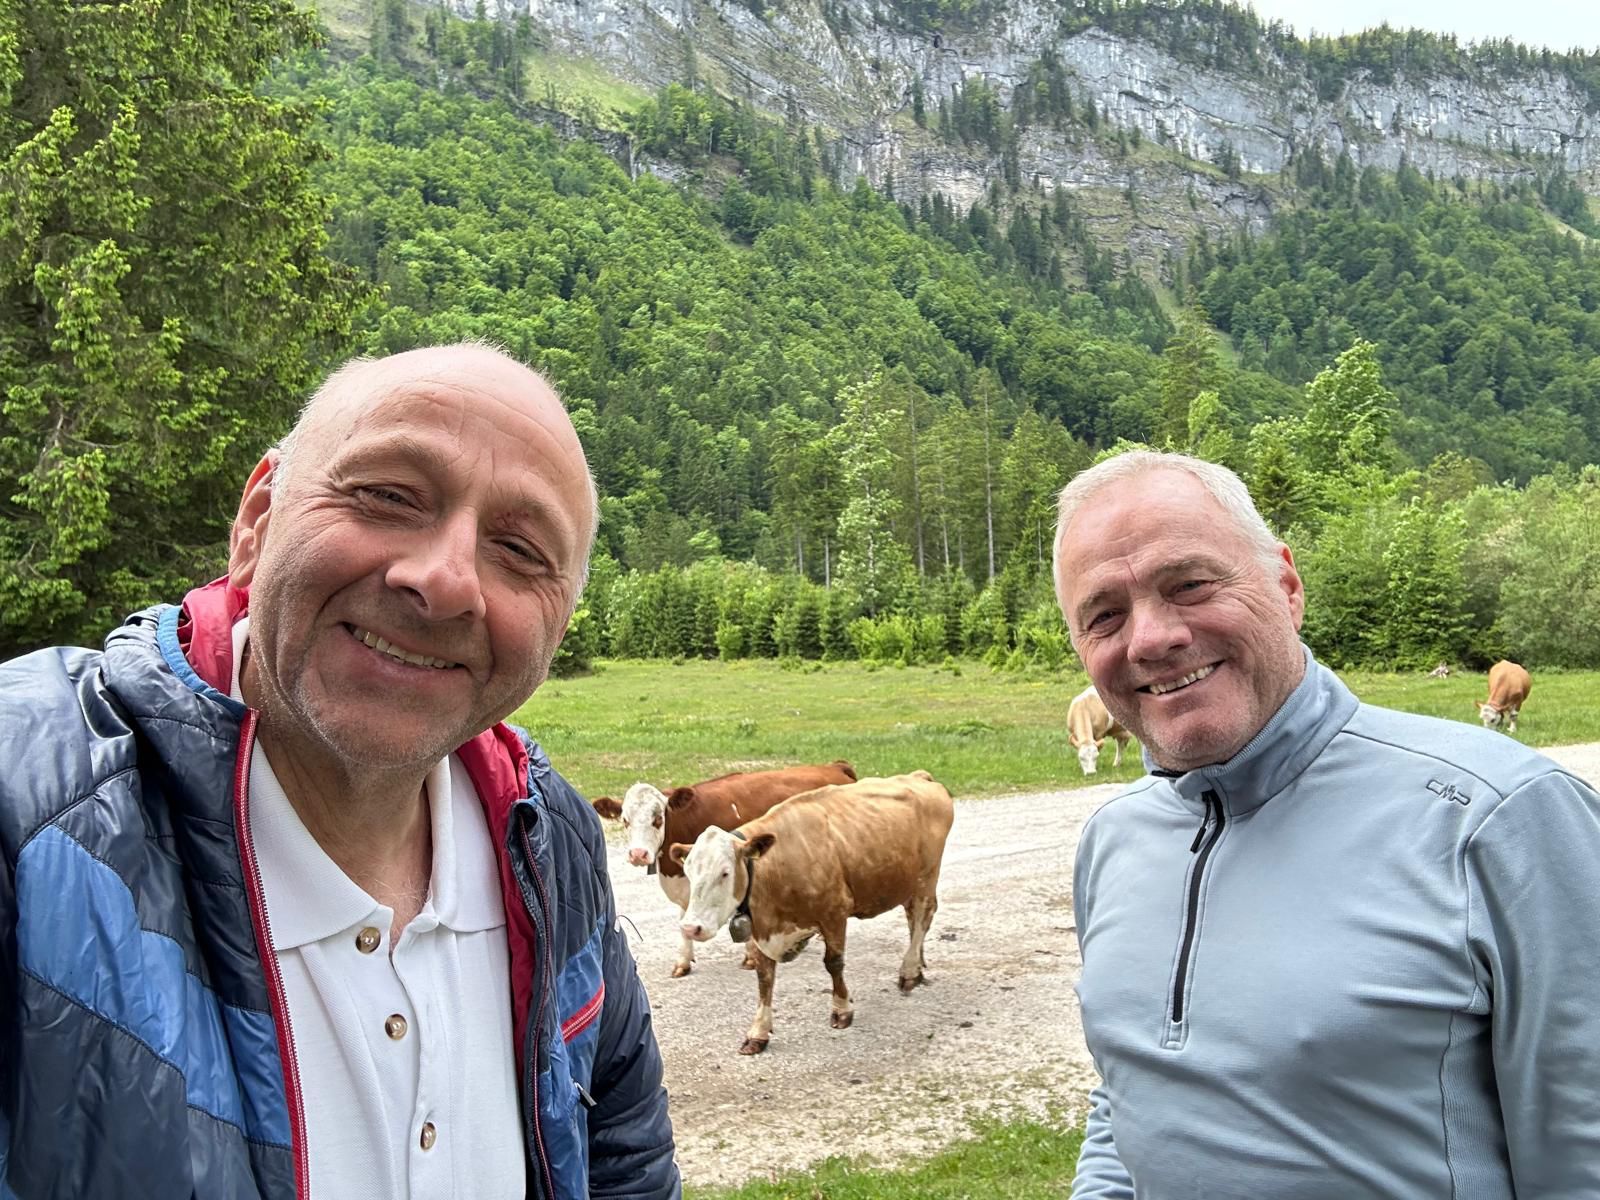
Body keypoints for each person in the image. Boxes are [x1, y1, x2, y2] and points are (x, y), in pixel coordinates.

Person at [0, 344, 680, 1199]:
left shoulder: (551, 845)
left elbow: (622, 1156)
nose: (443, 581)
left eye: (519, 548)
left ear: (558, 629)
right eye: (387, 496)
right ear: (256, 522)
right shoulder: (25, 814)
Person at [1052, 450, 1600, 1198]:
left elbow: (1581, 1160)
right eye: (1104, 615)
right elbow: (1128, 1097)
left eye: (1190, 585)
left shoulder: (1499, 817)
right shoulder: (1111, 844)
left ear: (1286, 585)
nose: (1150, 638)